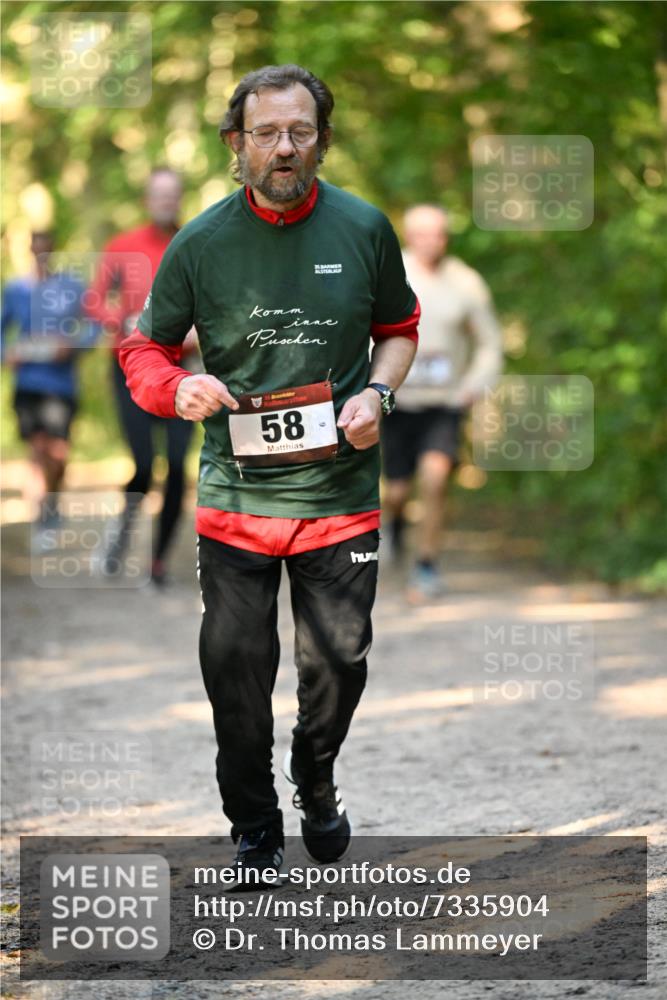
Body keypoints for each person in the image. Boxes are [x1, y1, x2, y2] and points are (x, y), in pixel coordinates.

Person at [118, 64, 419, 876]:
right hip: (237, 499)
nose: (283, 148)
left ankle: (314, 778)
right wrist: (176, 387)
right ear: (235, 142)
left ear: (321, 140)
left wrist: (380, 394)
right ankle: (253, 824)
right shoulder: (200, 243)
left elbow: (398, 329)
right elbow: (143, 347)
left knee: (339, 663)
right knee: (236, 675)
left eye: (299, 132)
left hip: (339, 495)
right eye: (265, 133)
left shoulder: (363, 228)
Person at [381, 204, 503, 601]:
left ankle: (426, 565)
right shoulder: (390, 272)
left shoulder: (466, 282)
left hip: (445, 402)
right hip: (397, 400)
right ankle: (394, 523)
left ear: (446, 237)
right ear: (408, 236)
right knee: (396, 490)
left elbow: (490, 343)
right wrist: (374, 382)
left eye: (438, 233)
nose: (431, 241)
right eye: (422, 233)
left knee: (434, 481)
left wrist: (474, 385)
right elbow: (364, 327)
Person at [86, 168, 199, 586]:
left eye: (172, 195)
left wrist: (199, 331)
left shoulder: (195, 244)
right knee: (144, 465)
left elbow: (215, 303)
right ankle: (120, 535)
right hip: (130, 369)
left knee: (177, 466)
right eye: (159, 194)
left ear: (180, 198)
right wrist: (122, 321)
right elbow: (94, 301)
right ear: (147, 200)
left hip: (181, 371)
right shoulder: (123, 247)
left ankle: (158, 563)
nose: (166, 201)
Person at [1, 232, 97, 549]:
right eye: (36, 249)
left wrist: (73, 345)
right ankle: (40, 519)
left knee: (58, 452)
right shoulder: (16, 289)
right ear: (29, 250)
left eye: (46, 249)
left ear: (53, 250)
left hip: (61, 384)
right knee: (37, 449)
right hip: (28, 383)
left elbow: (95, 324)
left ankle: (52, 505)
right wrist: (7, 354)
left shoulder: (71, 287)